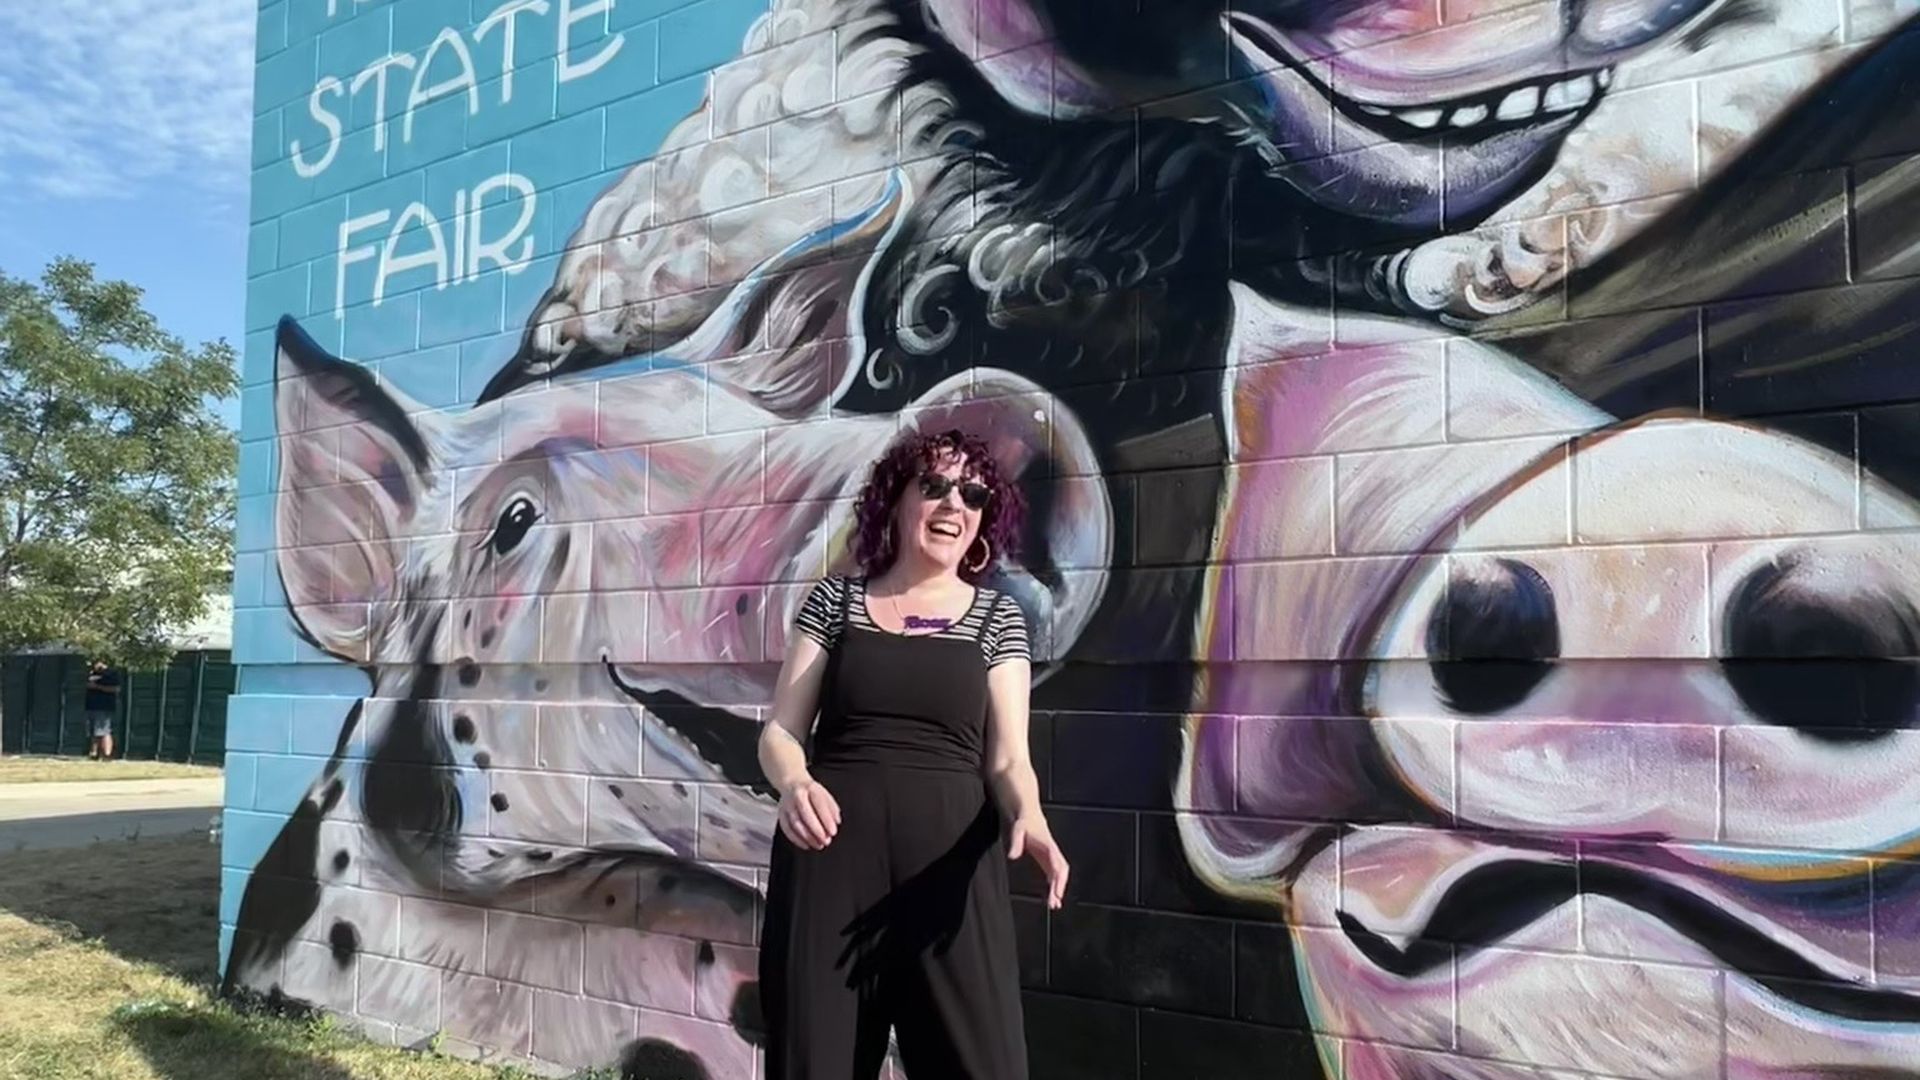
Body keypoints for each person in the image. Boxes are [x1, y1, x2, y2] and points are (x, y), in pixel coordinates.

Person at [756, 428, 1070, 1079]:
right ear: (894, 501)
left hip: (949, 880)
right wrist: (793, 783)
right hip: (828, 870)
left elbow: (1009, 760)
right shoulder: (835, 602)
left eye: (973, 494)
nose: (954, 504)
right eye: (934, 486)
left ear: (985, 519)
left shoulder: (998, 618)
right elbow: (781, 732)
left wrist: (1030, 816)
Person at [84, 661, 120, 761]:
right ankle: (94, 753)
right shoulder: (92, 673)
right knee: (93, 732)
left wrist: (97, 687)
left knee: (104, 731)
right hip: (91, 706)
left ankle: (107, 754)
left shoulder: (111, 673)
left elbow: (116, 689)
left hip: (104, 706)